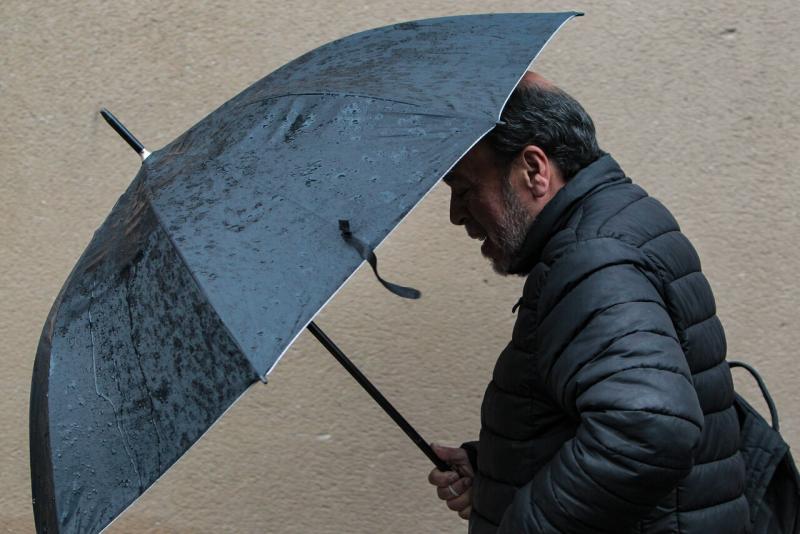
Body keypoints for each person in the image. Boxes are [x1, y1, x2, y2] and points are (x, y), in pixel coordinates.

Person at [427, 72, 748, 533]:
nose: (457, 214)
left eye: (464, 188)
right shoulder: (618, 220)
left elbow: (649, 429)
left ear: (534, 170)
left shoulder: (592, 257)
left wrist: (523, 523)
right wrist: (497, 471)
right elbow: (614, 409)